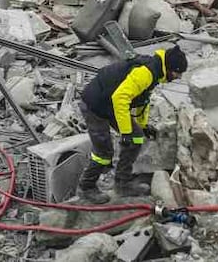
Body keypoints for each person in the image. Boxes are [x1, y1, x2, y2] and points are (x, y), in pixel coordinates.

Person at [77, 47, 188, 203]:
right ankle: (86, 187)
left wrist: (142, 126)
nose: (179, 77)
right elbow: (120, 98)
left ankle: (122, 183)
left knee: (136, 137)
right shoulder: (146, 72)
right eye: (178, 73)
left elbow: (143, 100)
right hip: (95, 105)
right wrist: (126, 132)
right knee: (104, 153)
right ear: (170, 68)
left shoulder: (155, 72)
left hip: (110, 103)